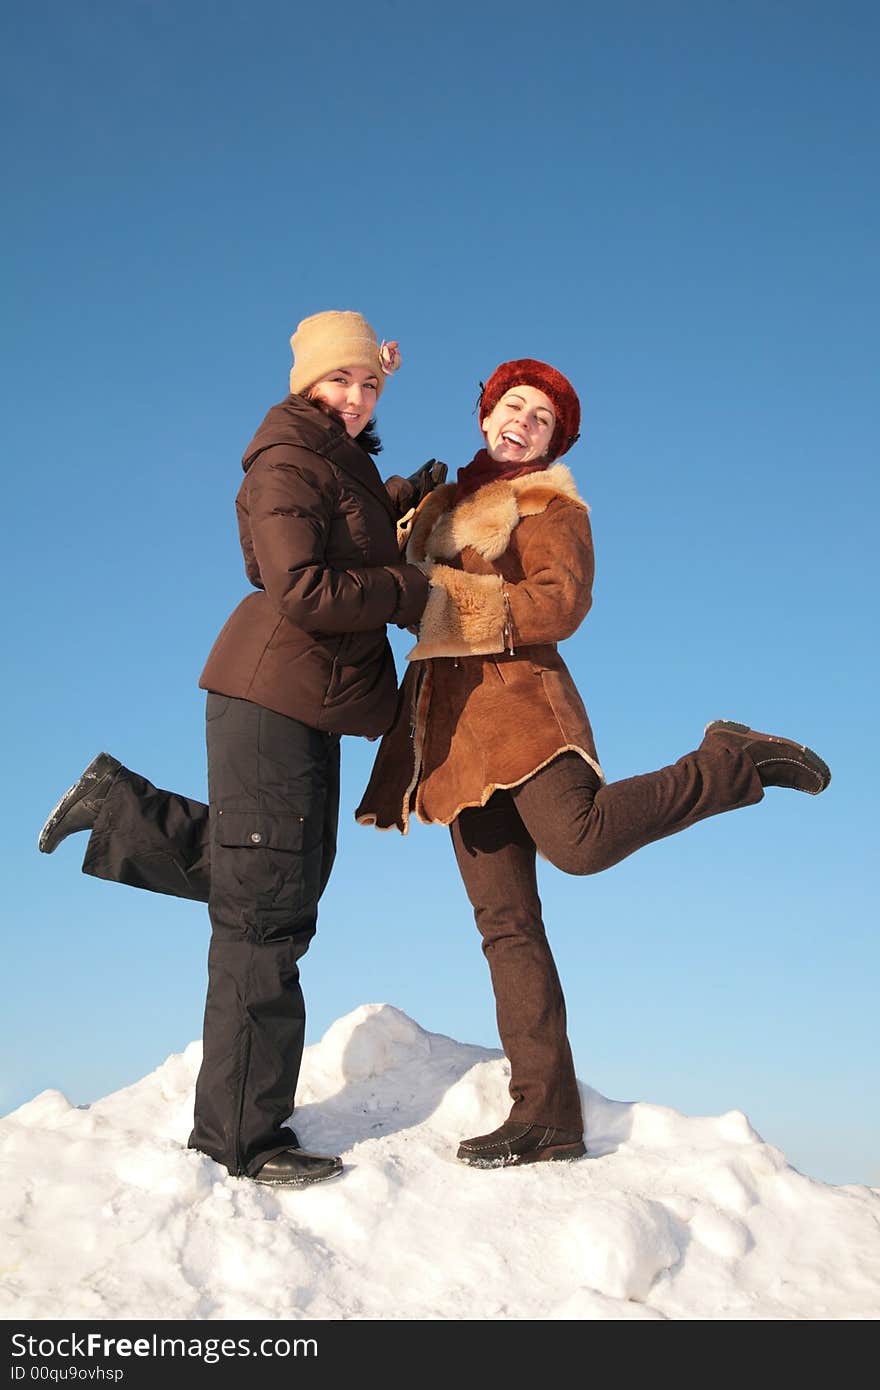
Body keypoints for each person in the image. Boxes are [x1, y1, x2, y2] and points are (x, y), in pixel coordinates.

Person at [355, 357, 830, 1170]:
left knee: (582, 842)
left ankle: (727, 760)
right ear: (485, 415)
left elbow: (561, 602)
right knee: (506, 928)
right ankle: (546, 1116)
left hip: (521, 713)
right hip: (452, 741)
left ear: (553, 438)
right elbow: (379, 572)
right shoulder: (442, 506)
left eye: (540, 417)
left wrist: (452, 600)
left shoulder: (549, 504)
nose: (522, 422)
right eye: (513, 406)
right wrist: (396, 503)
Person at [39, 311, 446, 1187]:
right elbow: (300, 583)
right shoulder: (286, 461)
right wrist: (408, 591)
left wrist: (406, 494)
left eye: (369, 384)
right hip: (272, 692)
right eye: (340, 380)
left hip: (306, 699)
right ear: (306, 382)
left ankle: (120, 810)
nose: (356, 396)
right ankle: (239, 1142)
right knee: (266, 914)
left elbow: (344, 531)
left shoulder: (338, 461)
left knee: (286, 876)